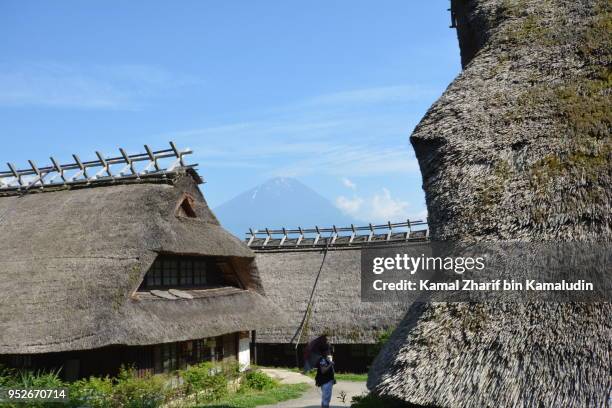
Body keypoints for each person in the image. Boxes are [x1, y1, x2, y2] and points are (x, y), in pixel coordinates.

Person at [314, 339, 335, 408]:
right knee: (326, 399)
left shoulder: (326, 358)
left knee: (326, 399)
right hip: (326, 381)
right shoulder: (322, 359)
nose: (330, 351)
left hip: (328, 380)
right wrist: (330, 364)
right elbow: (323, 370)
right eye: (328, 349)